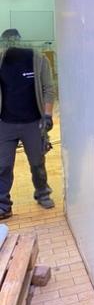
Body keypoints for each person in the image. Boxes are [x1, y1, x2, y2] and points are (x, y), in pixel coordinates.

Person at [0, 29, 55, 219]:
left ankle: (42, 193)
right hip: (5, 124)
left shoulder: (38, 60)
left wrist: (47, 116)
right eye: (7, 41)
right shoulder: (1, 61)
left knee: (37, 162)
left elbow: (48, 89)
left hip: (33, 123)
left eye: (14, 40)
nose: (11, 44)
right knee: (3, 165)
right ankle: (3, 205)